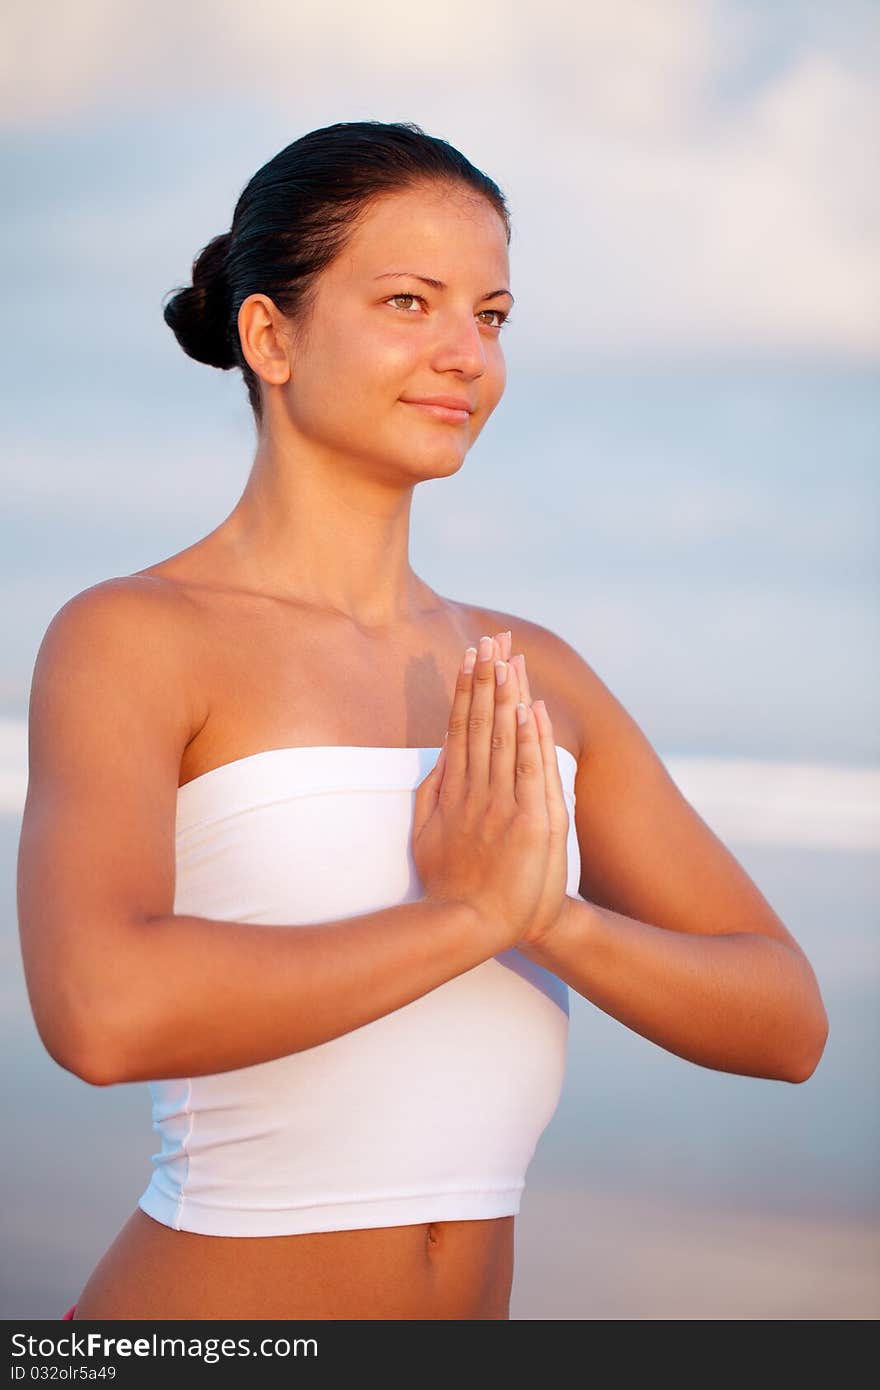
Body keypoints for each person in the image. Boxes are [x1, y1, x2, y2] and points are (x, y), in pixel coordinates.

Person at [17, 120, 828, 1323]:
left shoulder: (529, 671)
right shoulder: (135, 636)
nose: (466, 354)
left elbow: (784, 1021)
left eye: (491, 316)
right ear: (269, 334)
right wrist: (465, 920)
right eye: (410, 301)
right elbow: (100, 1012)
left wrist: (547, 919)